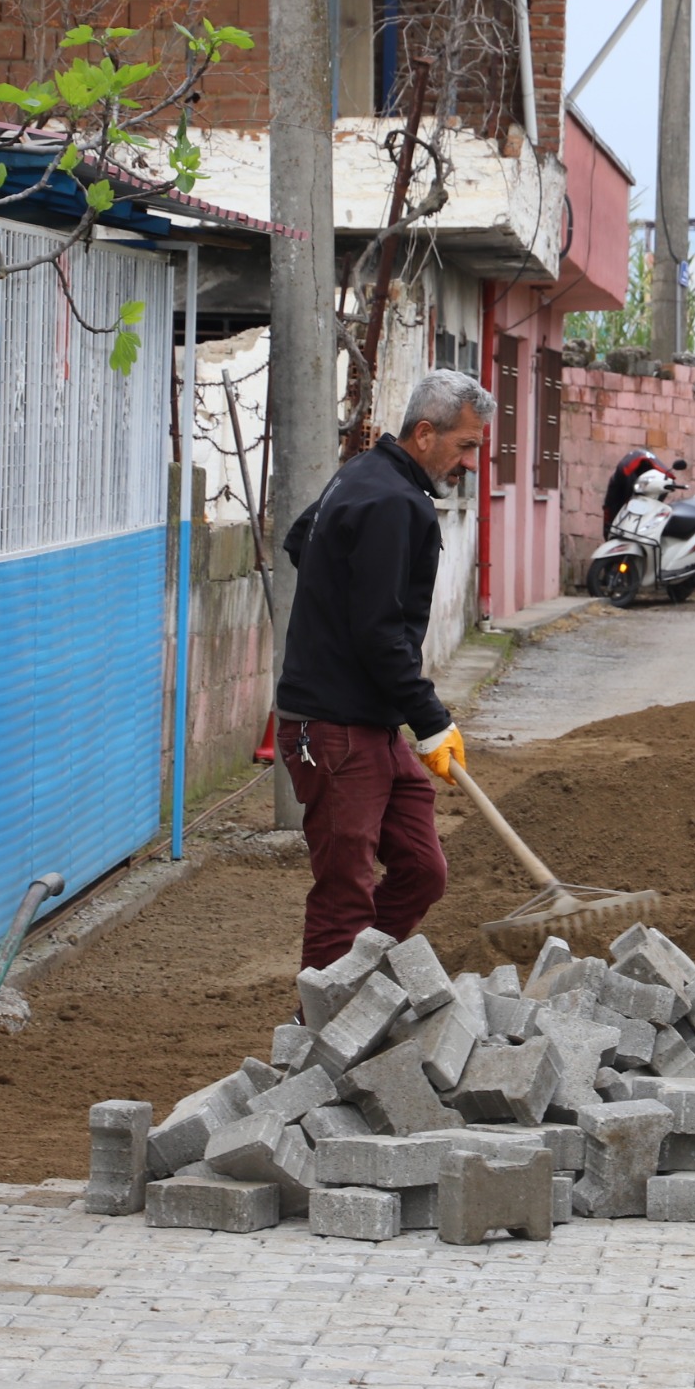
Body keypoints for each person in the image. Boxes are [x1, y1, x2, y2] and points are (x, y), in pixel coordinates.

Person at [276, 368, 493, 971]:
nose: (470, 463)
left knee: (422, 870)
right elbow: (380, 633)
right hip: (333, 728)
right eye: (466, 446)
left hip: (369, 722)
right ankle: (319, 1030)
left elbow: (301, 543)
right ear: (425, 434)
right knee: (345, 891)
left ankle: (359, 981)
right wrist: (432, 720)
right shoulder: (396, 504)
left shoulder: (362, 476)